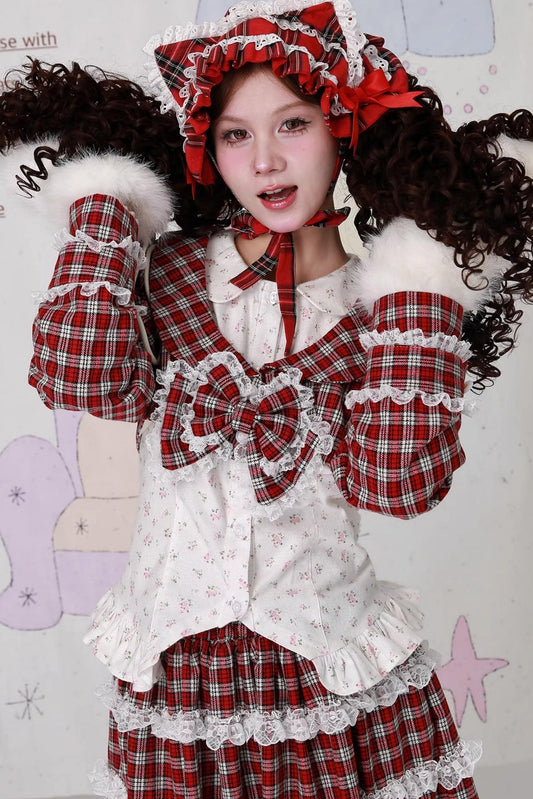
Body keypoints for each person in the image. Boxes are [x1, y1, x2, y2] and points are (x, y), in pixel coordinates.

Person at [1, 1, 532, 797]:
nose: (266, 161)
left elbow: (397, 483)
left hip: (326, 668)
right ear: (205, 148)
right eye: (234, 134)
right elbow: (80, 373)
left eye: (292, 124)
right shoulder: (166, 269)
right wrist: (107, 195)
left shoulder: (382, 309)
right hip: (177, 674)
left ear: (341, 127)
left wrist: (422, 279)